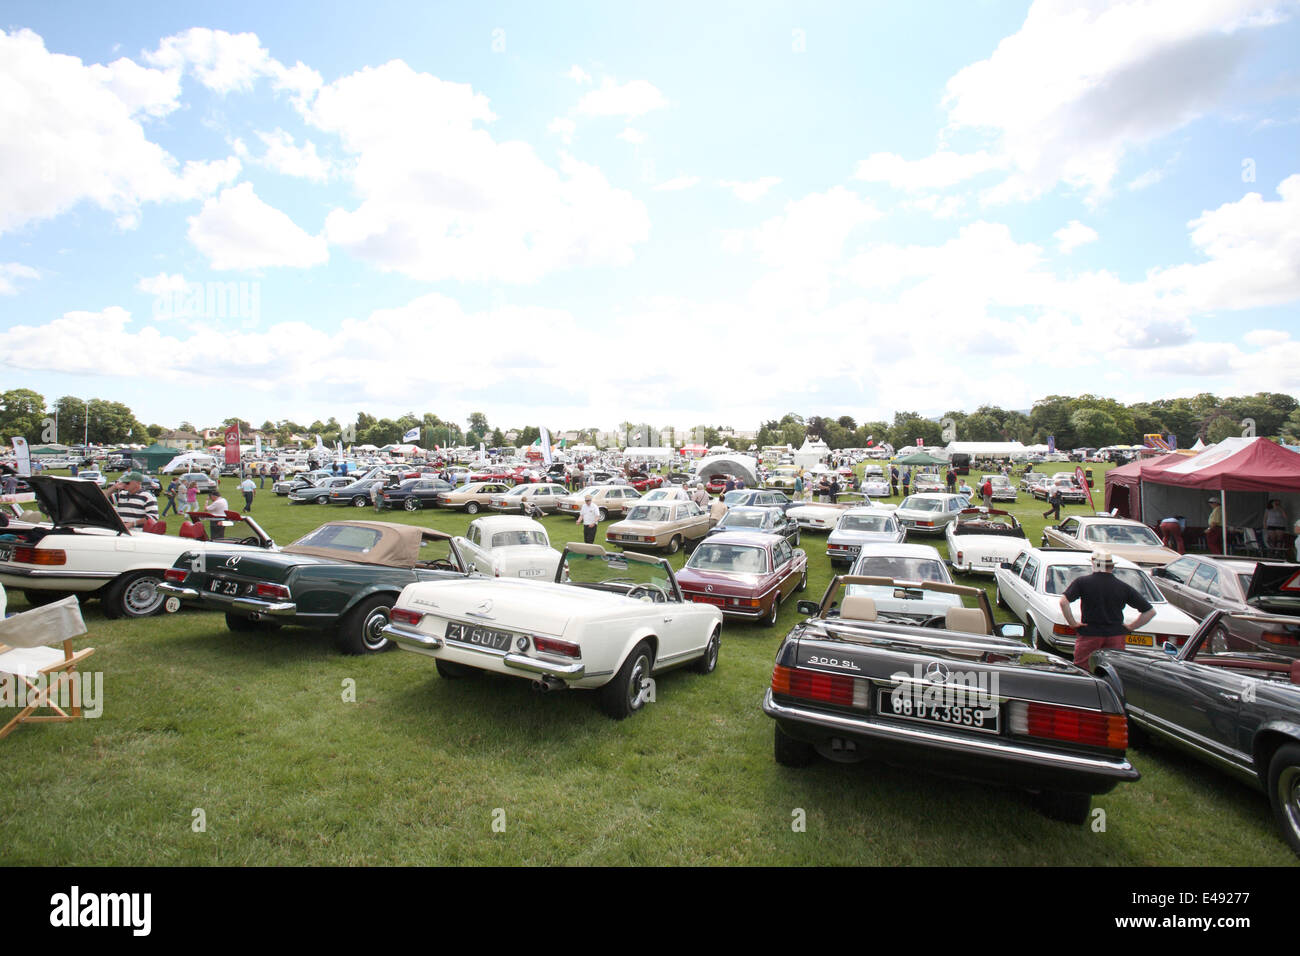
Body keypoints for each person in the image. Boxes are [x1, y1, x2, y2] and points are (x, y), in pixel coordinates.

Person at [1059, 550, 1156, 668]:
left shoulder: (1082, 582)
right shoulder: (1123, 587)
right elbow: (1150, 612)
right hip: (1115, 635)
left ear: (1094, 564)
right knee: (1113, 670)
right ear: (1112, 566)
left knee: (1083, 669)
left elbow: (1063, 602)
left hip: (1090, 633)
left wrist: (1072, 623)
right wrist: (1131, 627)